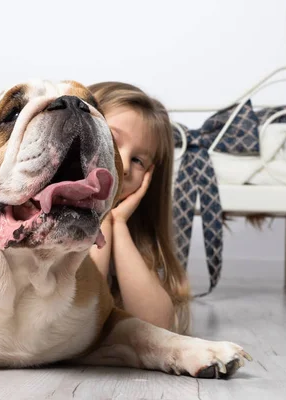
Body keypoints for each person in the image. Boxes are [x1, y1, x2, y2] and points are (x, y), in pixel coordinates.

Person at [88, 81, 191, 334]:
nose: (122, 165)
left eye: (138, 160)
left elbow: (157, 328)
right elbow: (84, 311)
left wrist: (117, 222)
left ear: (149, 177)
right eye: (111, 140)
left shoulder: (134, 241)